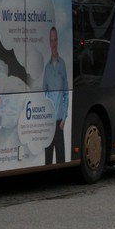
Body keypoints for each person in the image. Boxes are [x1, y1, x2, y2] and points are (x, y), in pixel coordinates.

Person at [42, 26, 69, 164]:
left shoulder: (62, 64)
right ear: (49, 43)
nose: (53, 43)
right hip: (48, 122)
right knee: (47, 160)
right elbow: (43, 94)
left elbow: (66, 94)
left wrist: (64, 118)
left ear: (57, 41)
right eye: (51, 40)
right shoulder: (46, 68)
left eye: (55, 40)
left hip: (59, 123)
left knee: (61, 159)